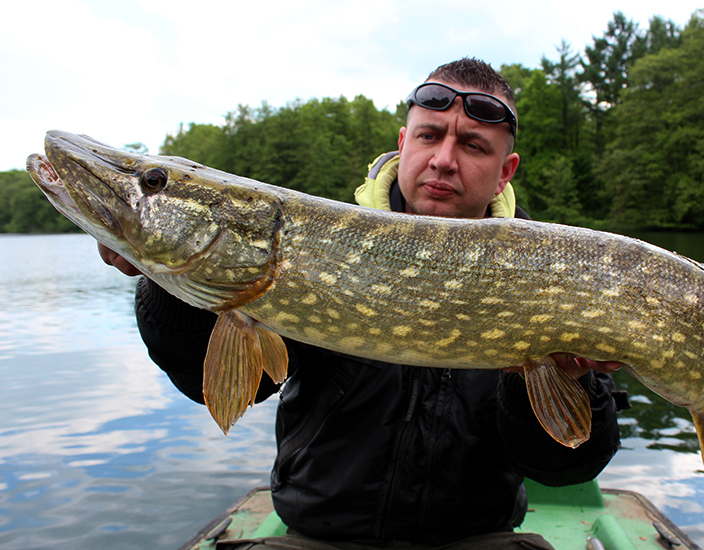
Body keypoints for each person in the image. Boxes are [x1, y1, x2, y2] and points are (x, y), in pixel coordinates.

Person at [100, 58, 625, 550]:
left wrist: (569, 382)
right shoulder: (314, 245)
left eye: (472, 145)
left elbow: (566, 468)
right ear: (404, 142)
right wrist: (171, 286)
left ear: (505, 170)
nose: (444, 159)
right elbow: (210, 383)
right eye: (429, 135)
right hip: (319, 538)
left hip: (474, 539)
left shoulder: (555, 275)